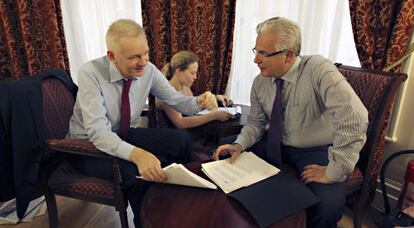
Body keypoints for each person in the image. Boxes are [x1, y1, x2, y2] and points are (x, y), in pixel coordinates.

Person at [214, 17, 368, 228]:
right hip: (273, 142)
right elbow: (256, 123)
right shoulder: (260, 81)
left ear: (289, 55)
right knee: (223, 151)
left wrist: (334, 171)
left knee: (328, 207)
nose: (256, 60)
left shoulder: (318, 69)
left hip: (313, 149)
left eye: (264, 53)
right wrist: (239, 145)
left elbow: (354, 117)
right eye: (256, 51)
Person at [67, 19, 217, 227]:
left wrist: (200, 101)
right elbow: (99, 134)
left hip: (122, 133)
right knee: (137, 173)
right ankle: (147, 223)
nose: (144, 61)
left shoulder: (149, 70)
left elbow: (179, 102)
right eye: (135, 57)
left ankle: (177, 207)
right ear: (112, 56)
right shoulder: (90, 73)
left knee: (181, 141)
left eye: (145, 53)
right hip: (87, 146)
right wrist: (138, 154)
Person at [156, 50, 233, 129]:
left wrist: (215, 98)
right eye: (192, 73)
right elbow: (181, 122)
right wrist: (215, 116)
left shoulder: (185, 87)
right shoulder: (166, 92)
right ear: (179, 71)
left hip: (191, 133)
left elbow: (193, 108)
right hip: (178, 138)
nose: (195, 77)